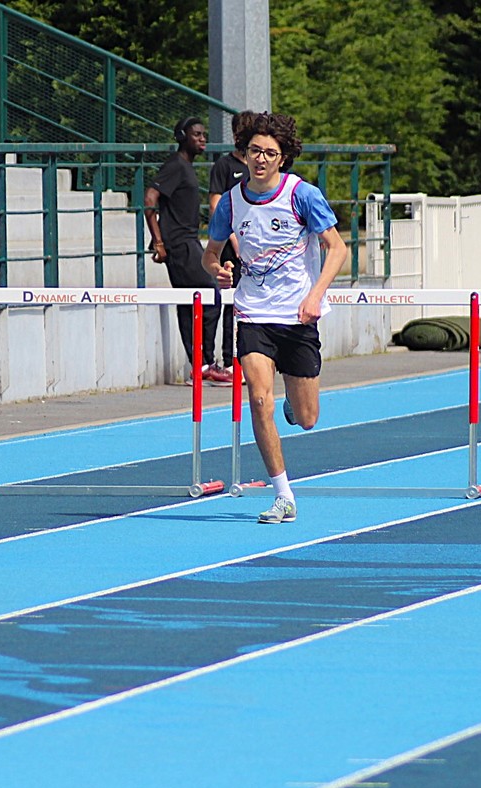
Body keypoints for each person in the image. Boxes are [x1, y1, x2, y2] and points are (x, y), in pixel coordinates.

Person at [201, 112, 348, 524]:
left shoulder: (303, 194)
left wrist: (315, 295)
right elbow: (210, 254)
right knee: (258, 399)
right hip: (253, 313)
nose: (261, 159)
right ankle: (283, 495)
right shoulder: (231, 202)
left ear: (282, 158)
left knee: (307, 418)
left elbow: (338, 248)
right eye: (254, 151)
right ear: (244, 155)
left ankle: (294, 404)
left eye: (269, 152)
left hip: (298, 315)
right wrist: (219, 270)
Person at [144, 116, 232, 386]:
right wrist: (159, 242)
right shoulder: (175, 166)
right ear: (182, 136)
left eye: (204, 134)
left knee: (189, 302)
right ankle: (205, 363)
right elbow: (150, 198)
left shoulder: (186, 167)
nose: (202, 139)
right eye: (196, 134)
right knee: (210, 294)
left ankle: (200, 365)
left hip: (189, 241)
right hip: (179, 244)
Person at [205, 111, 259, 385]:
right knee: (231, 304)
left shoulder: (260, 168)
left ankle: (255, 359)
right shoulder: (224, 166)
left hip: (259, 249)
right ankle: (229, 361)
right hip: (232, 248)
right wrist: (235, 239)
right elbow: (216, 204)